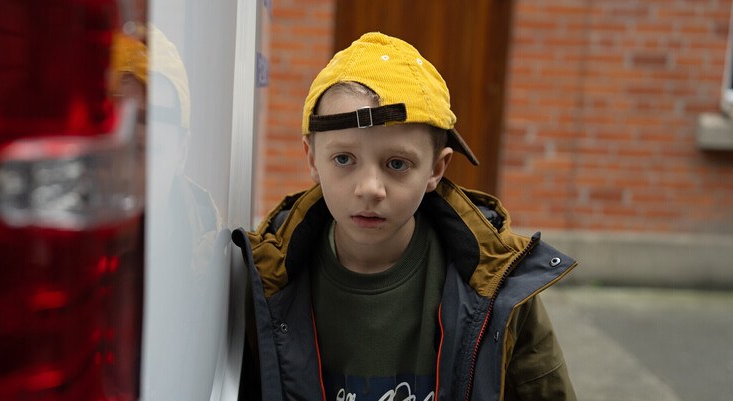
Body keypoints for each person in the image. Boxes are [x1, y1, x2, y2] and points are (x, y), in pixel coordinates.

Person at [233, 32, 577, 401]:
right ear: (312, 159)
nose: (370, 188)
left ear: (436, 169)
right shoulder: (267, 280)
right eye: (344, 159)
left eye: (397, 164)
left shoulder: (499, 286)